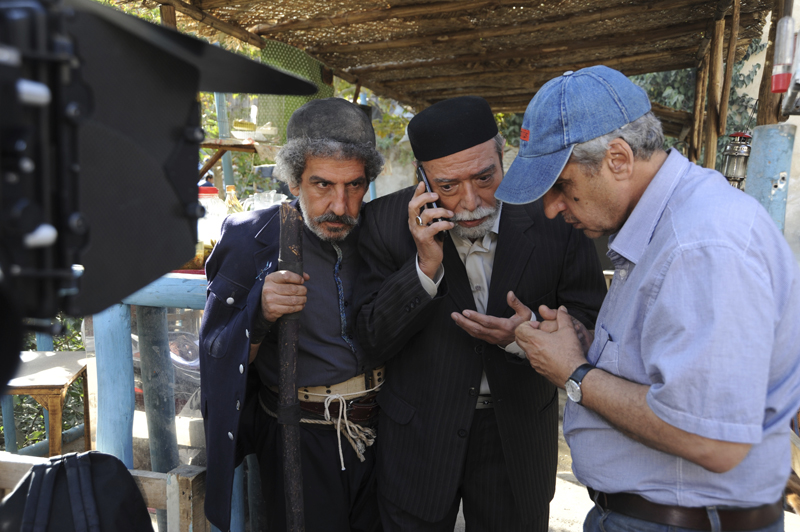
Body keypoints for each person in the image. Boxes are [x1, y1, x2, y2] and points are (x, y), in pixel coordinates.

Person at [495, 65, 800, 532]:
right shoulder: (667, 227)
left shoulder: (700, 244)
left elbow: (710, 439)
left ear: (618, 158)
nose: (552, 208)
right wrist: (586, 343)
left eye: (562, 186)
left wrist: (574, 372)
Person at [354, 95, 607, 531]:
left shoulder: (556, 214)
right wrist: (423, 267)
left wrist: (528, 335)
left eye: (485, 177)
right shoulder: (382, 222)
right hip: (419, 438)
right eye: (448, 186)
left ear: (503, 154)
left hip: (517, 434)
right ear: (422, 177)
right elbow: (370, 340)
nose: (471, 202)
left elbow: (592, 318)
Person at [199, 97, 385, 532]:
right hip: (298, 435)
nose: (340, 205)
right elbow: (217, 350)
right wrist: (259, 312)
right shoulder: (252, 239)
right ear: (293, 180)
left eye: (354, 185)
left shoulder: (381, 232)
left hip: (383, 430)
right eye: (322, 185)